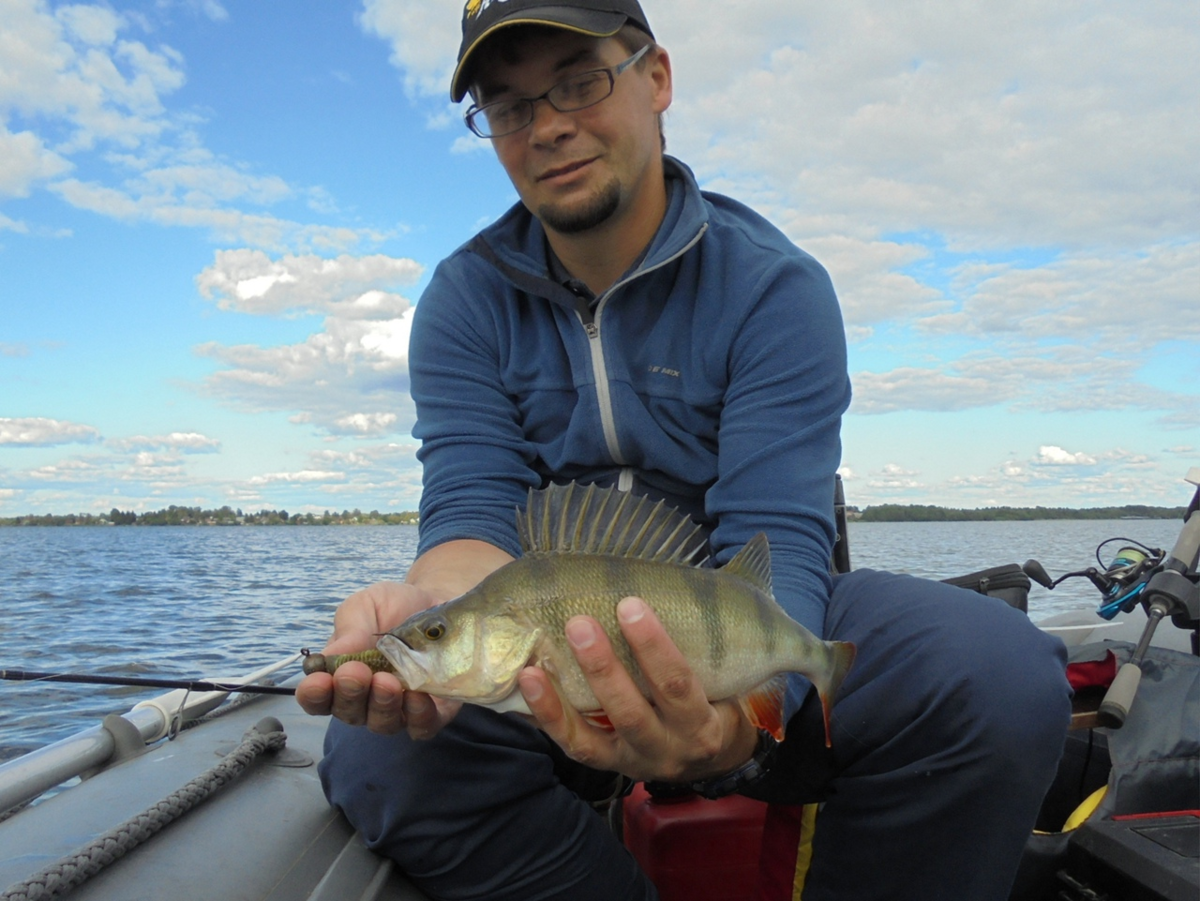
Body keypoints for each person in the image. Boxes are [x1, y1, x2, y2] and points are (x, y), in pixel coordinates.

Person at [296, 1, 1073, 898]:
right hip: (544, 660)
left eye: (578, 81)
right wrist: (437, 601)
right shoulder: (462, 302)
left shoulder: (775, 287)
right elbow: (473, 510)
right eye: (510, 106)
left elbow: (778, 535)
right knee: (373, 755)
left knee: (999, 676)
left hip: (737, 618)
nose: (548, 126)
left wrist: (747, 718)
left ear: (657, 78)